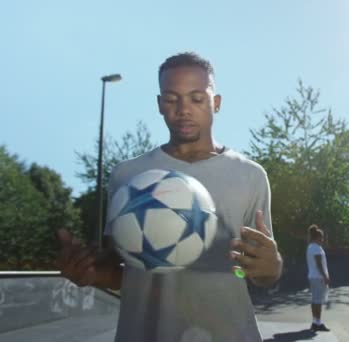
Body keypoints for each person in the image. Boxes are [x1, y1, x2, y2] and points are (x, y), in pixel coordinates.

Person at [55, 52, 283, 342]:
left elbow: (256, 272)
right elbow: (128, 274)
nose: (183, 109)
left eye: (197, 98)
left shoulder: (250, 175)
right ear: (160, 104)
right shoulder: (127, 175)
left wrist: (272, 268)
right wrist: (90, 272)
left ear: (216, 103)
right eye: (172, 99)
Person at [306, 224, 330, 332]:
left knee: (315, 300)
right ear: (317, 237)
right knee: (318, 301)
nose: (323, 239)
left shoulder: (310, 247)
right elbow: (319, 264)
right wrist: (325, 276)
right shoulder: (316, 248)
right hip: (318, 277)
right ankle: (317, 323)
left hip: (313, 277)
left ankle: (315, 321)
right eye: (321, 237)